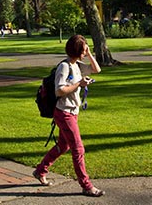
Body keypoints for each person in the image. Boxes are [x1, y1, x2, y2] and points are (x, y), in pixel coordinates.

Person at [33, 35, 104, 198]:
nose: (86, 50)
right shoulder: (65, 67)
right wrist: (79, 84)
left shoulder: (77, 65)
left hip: (72, 112)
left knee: (63, 146)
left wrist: (90, 53)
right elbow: (59, 90)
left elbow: (96, 69)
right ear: (78, 50)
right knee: (78, 149)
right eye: (84, 48)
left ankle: (40, 170)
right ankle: (86, 186)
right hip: (64, 113)